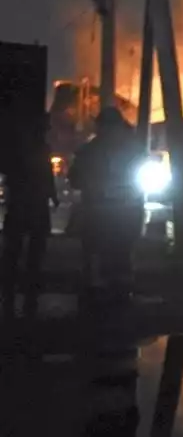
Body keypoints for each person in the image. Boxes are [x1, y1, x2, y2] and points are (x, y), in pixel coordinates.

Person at [67, 107, 146, 311]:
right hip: (100, 213)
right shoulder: (89, 152)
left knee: (121, 254)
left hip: (122, 212)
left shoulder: (134, 152)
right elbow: (75, 179)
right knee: (98, 254)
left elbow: (141, 177)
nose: (109, 132)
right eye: (106, 128)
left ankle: (119, 295)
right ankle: (99, 294)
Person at [1, 113, 58, 320]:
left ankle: (10, 294)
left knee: (14, 251)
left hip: (20, 205)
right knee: (33, 253)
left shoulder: (17, 149)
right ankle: (28, 294)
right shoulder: (40, 149)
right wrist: (53, 196)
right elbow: (46, 176)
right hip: (35, 205)